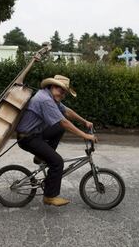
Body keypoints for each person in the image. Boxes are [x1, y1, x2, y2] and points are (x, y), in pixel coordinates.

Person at [16, 75, 97, 206]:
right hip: (27, 138)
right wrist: (85, 135)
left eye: (64, 91)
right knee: (57, 162)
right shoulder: (45, 100)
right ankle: (49, 196)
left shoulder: (49, 96)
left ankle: (41, 157)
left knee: (58, 129)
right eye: (61, 90)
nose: (63, 93)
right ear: (53, 86)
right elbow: (64, 122)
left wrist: (85, 121)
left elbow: (67, 112)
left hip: (36, 133)